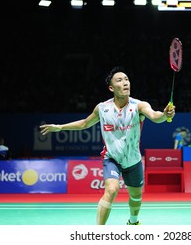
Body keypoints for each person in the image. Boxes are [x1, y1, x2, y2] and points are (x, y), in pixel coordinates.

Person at [40, 66, 175, 225]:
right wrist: (60, 127)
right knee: (111, 190)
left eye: (126, 79)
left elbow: (155, 116)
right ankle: (99, 233)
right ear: (111, 88)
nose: (125, 83)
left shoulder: (138, 105)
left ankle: (133, 221)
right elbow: (84, 123)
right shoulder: (103, 108)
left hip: (133, 160)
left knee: (135, 198)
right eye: (119, 80)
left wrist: (165, 115)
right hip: (111, 158)